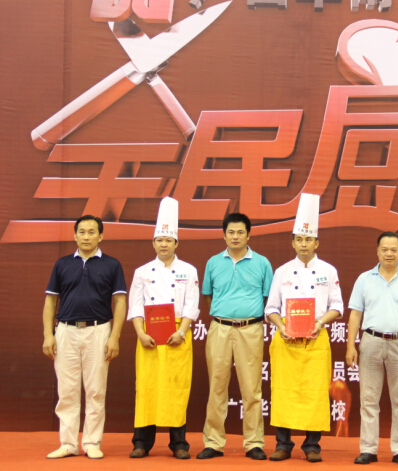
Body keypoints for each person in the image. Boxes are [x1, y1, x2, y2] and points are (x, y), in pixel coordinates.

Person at [264, 193, 344, 463]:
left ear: (316, 242)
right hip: (286, 340)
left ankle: (312, 445)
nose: (303, 244)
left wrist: (320, 322)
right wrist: (281, 326)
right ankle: (283, 444)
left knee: (315, 392)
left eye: (308, 239)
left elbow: (338, 306)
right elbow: (271, 309)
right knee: (283, 391)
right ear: (293, 242)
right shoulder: (282, 271)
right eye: (299, 239)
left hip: (315, 340)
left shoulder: (328, 271)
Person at [42, 215, 127, 459]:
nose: (86, 236)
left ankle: (91, 442)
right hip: (65, 331)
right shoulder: (62, 264)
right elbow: (50, 301)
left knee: (96, 390)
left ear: (101, 236)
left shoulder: (112, 265)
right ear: (75, 235)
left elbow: (120, 302)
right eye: (82, 232)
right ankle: (68, 443)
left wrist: (114, 337)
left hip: (98, 331)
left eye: (91, 232)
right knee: (67, 390)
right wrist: (48, 335)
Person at [127, 197, 200, 459]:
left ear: (176, 243)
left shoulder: (188, 270)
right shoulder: (142, 271)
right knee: (146, 388)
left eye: (168, 240)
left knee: (176, 388)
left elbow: (192, 306)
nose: (164, 244)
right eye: (159, 240)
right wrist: (141, 333)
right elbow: (135, 306)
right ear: (153, 243)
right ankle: (141, 443)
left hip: (177, 335)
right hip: (148, 335)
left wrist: (181, 333)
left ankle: (179, 444)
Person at [346, 231, 398, 466]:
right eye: (384, 249)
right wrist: (351, 345)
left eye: (393, 249)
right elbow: (355, 314)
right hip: (371, 341)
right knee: (368, 398)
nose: (389, 253)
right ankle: (368, 449)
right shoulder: (364, 279)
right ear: (377, 251)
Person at [197, 212, 273, 461]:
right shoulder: (213, 263)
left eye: (241, 232)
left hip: (250, 329)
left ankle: (253, 443)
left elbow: (269, 298)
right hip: (220, 328)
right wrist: (224, 315)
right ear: (224, 235)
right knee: (217, 386)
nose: (235, 236)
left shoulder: (262, 263)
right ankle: (213, 442)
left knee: (251, 389)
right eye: (231, 232)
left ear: (248, 235)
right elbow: (207, 296)